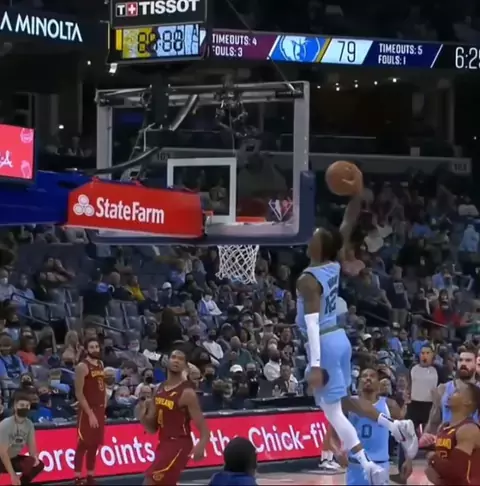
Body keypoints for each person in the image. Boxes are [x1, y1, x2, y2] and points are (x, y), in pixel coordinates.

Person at [296, 190, 418, 485]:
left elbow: (311, 323)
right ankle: (395, 427)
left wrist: (315, 364)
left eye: (314, 237)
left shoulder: (307, 279)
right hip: (339, 338)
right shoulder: (332, 265)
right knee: (346, 403)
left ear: (319, 247)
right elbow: (346, 226)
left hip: (323, 342)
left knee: (334, 412)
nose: (310, 239)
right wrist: (355, 196)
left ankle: (367, 465)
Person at [326, 368, 413, 485]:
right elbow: (331, 436)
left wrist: (408, 459)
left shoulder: (389, 405)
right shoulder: (348, 405)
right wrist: (337, 452)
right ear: (359, 382)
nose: (368, 378)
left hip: (381, 465)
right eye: (364, 376)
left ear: (378, 383)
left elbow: (405, 434)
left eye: (372, 376)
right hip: (356, 466)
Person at [137, 347, 209, 485]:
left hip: (179, 443)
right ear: (167, 361)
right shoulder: (159, 389)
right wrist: (142, 413)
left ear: (185, 366)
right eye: (174, 357)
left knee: (150, 481)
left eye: (180, 359)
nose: (176, 361)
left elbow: (203, 427)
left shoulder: (187, 393)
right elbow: (152, 428)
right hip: (163, 443)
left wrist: (202, 444)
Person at [421, 348, 479, 447]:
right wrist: (426, 436)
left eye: (468, 360)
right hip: (446, 442)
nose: (463, 364)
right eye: (460, 360)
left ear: (476, 363)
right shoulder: (443, 389)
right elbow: (433, 421)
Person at [425, 383, 480, 484]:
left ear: (467, 401)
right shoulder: (444, 427)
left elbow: (456, 471)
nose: (451, 393)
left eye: (457, 392)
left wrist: (432, 458)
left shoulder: (468, 429)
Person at [73, 338, 106, 485]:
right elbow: (79, 393)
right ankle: (77, 477)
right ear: (86, 349)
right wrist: (90, 414)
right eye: (92, 347)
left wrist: (104, 407)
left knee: (95, 444)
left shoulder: (100, 364)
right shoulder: (82, 366)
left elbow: (102, 387)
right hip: (88, 409)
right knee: (83, 444)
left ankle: (90, 476)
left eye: (97, 346)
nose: (95, 349)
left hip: (99, 408)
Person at [0, 391, 45, 485]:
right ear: (15, 406)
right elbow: (3, 453)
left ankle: (21, 483)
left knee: (38, 464)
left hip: (13, 458)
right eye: (22, 405)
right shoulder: (5, 424)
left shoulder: (29, 424)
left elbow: (32, 448)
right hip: (1, 458)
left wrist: (35, 458)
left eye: (27, 405)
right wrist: (13, 475)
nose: (24, 408)